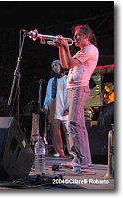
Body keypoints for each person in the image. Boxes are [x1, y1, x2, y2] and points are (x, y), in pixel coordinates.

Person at [54, 24, 99, 168]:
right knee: (78, 124)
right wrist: (61, 48)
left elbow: (71, 62)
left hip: (79, 88)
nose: (74, 38)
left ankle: (80, 159)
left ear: (86, 36)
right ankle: (84, 159)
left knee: (73, 123)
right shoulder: (81, 51)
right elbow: (66, 64)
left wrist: (66, 46)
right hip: (74, 89)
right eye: (74, 36)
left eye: (77, 35)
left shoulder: (90, 49)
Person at [43, 59, 72, 158]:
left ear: (61, 66)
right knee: (55, 132)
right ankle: (59, 151)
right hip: (54, 109)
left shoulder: (66, 79)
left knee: (68, 131)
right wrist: (46, 106)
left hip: (64, 108)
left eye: (56, 65)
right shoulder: (51, 81)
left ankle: (72, 151)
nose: (55, 67)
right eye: (53, 66)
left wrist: (68, 107)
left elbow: (68, 94)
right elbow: (48, 95)